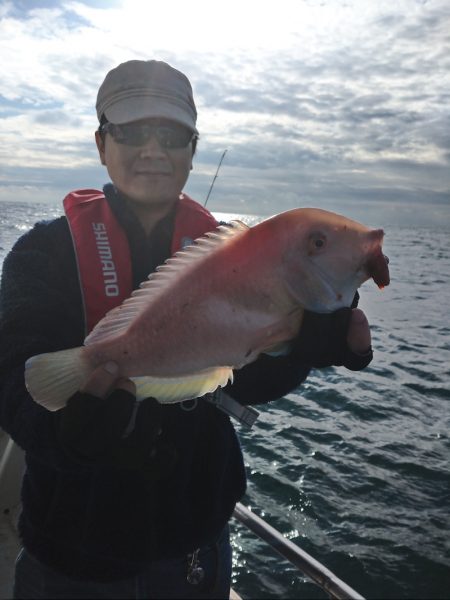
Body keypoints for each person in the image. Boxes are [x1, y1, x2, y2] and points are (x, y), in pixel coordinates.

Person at [0, 59, 373, 599]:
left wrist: (298, 350)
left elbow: (245, 382)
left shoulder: (241, 257)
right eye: (130, 131)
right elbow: (14, 369)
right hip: (70, 554)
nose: (153, 149)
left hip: (196, 550)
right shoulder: (43, 250)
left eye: (172, 135)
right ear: (101, 144)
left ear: (193, 151)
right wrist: (62, 434)